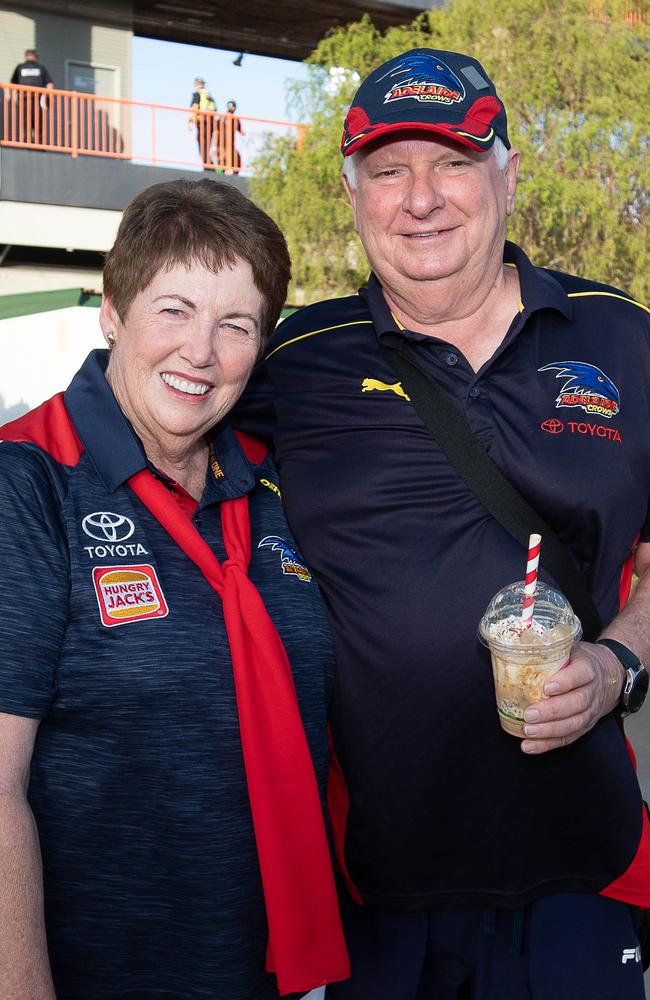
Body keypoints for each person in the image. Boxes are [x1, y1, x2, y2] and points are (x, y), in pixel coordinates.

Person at [234, 48, 650, 998]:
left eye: (453, 162)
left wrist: (619, 662)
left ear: (506, 174)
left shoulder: (622, 337)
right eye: (388, 171)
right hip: (379, 884)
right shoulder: (295, 362)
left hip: (584, 862)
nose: (421, 199)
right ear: (354, 197)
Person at [0, 178, 349, 1000]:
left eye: (236, 325)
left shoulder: (268, 487)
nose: (202, 351)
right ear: (114, 310)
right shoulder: (30, 484)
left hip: (278, 974)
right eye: (174, 310)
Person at [10, 48, 54, 144]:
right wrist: (49, 99)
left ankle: (26, 142)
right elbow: (50, 84)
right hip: (38, 100)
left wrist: (13, 100)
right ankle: (39, 144)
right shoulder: (41, 68)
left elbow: (13, 84)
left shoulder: (20, 67)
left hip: (24, 99)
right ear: (35, 57)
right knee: (38, 123)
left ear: (26, 56)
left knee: (25, 122)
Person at [188, 77, 217, 169]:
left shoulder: (197, 94)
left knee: (202, 145)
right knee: (207, 145)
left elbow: (195, 107)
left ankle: (207, 166)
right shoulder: (209, 95)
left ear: (197, 85)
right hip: (210, 123)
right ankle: (209, 164)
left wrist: (190, 120)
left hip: (202, 123)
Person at [222, 98, 244, 173]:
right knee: (222, 159)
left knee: (236, 159)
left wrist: (242, 132)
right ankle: (220, 173)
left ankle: (234, 173)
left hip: (231, 144)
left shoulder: (235, 119)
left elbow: (241, 130)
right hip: (222, 144)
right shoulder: (223, 117)